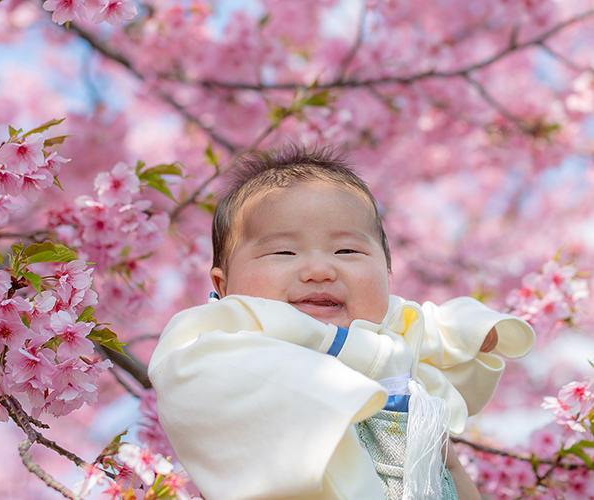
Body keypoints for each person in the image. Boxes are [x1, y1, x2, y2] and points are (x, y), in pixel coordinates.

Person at [148, 145, 535, 500]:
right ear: (223, 284)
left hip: (423, 474)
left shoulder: (388, 328)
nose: (319, 269)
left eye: (347, 250)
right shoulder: (234, 328)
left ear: (386, 271)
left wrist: (477, 333)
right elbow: (184, 362)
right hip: (318, 471)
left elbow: (432, 323)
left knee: (447, 462)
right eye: (283, 251)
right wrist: (335, 352)